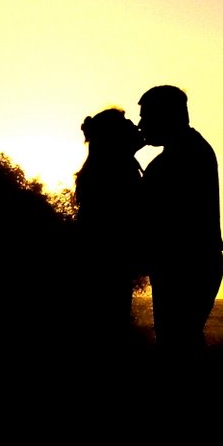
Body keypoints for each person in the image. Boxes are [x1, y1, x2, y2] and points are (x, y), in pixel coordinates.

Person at [137, 85, 223, 361]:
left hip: (187, 265)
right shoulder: (190, 150)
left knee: (176, 345)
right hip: (192, 264)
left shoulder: (181, 157)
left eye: (146, 116)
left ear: (166, 115)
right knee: (181, 342)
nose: (141, 125)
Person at [74, 107, 146, 338]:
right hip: (107, 269)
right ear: (113, 138)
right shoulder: (113, 170)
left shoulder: (110, 166)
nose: (135, 126)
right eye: (126, 123)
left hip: (107, 267)